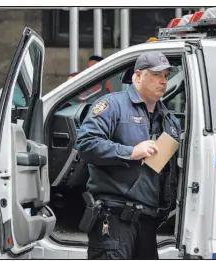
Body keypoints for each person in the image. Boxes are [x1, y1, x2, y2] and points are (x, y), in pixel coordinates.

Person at [76, 51, 181, 259]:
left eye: (166, 76)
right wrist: (131, 152)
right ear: (139, 75)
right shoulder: (112, 105)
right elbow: (86, 144)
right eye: (157, 74)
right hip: (114, 218)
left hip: (149, 219)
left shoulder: (170, 120)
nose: (163, 81)